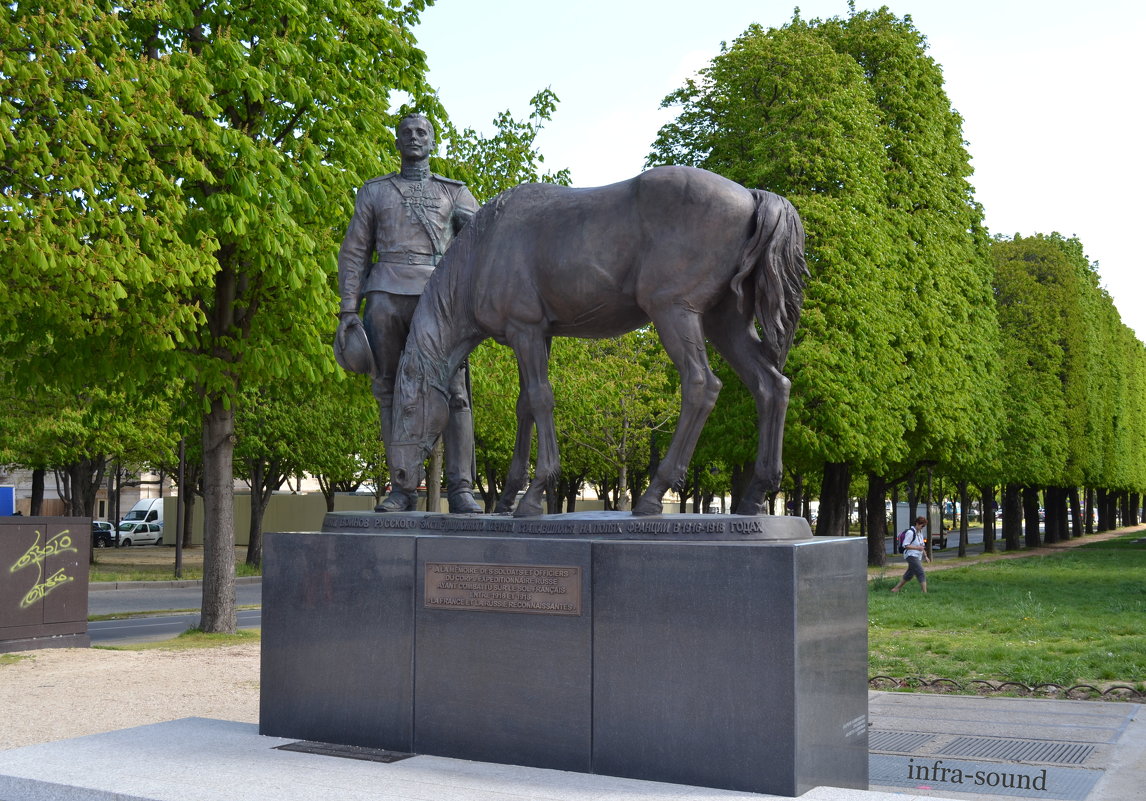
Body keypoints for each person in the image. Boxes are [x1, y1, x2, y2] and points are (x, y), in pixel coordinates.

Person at [336, 113, 482, 514]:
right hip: (384, 298)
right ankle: (402, 488)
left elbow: (485, 239)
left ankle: (461, 489)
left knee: (454, 392)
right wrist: (349, 308)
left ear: (433, 142)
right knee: (388, 392)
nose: (414, 137)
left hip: (438, 302)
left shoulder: (454, 193)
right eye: (407, 133)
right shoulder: (374, 192)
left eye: (422, 132)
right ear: (397, 143)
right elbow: (354, 252)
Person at [891, 516, 930, 594]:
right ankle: (924, 592)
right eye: (922, 525)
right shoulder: (910, 532)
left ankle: (895, 589)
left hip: (917, 555)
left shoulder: (920, 533)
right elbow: (905, 545)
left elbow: (921, 546)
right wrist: (917, 548)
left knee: (910, 573)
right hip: (911, 555)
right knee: (920, 572)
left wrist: (925, 556)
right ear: (917, 523)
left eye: (924, 526)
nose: (922, 527)